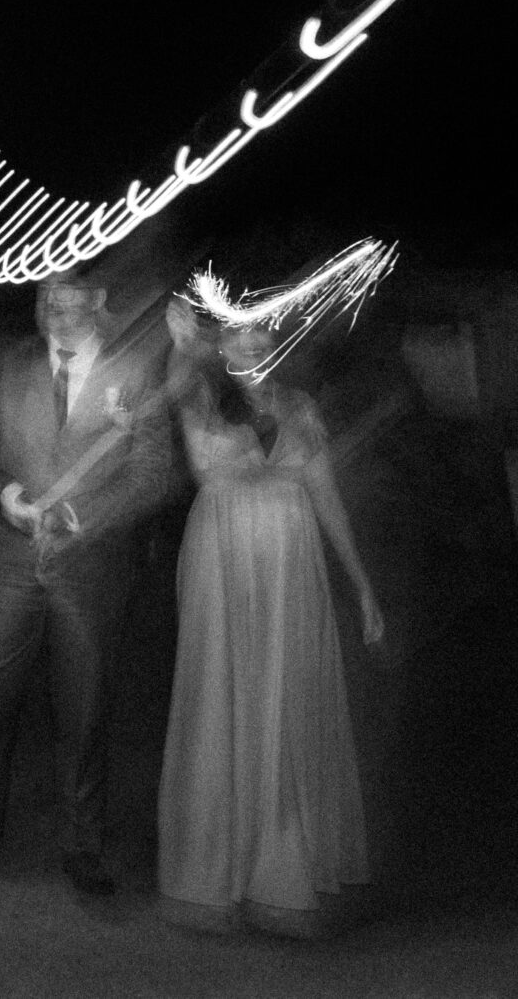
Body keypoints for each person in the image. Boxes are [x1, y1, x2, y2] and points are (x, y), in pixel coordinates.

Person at [0, 270, 173, 895]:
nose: (53, 306)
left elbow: (154, 470)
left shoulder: (133, 371)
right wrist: (6, 496)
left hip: (92, 566)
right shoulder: (8, 367)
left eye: (69, 293)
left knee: (85, 700)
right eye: (44, 295)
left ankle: (83, 841)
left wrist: (87, 519)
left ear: (101, 298)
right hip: (8, 559)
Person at [156, 298, 382, 935]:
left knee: (288, 702)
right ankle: (220, 864)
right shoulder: (200, 396)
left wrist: (361, 583)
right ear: (220, 342)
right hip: (222, 556)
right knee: (223, 698)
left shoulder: (301, 406)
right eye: (237, 333)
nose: (250, 342)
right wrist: (182, 345)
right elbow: (194, 439)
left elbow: (327, 495)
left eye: (260, 331)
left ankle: (284, 863)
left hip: (293, 564)